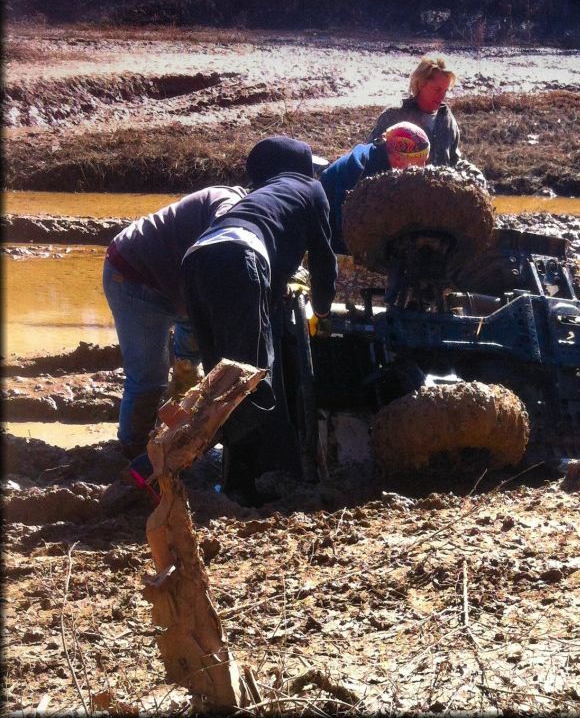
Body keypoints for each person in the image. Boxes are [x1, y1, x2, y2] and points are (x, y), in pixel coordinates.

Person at [181, 135, 338, 503]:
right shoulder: (311, 188)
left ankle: (179, 463)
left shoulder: (263, 194)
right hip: (240, 256)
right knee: (249, 380)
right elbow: (323, 259)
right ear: (301, 166)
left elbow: (277, 245)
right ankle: (241, 485)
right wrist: (324, 312)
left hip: (197, 259)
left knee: (219, 379)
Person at [103, 184, 247, 461]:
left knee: (189, 362)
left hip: (179, 283)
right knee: (148, 375)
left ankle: (177, 427)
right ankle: (135, 451)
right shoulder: (228, 203)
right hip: (135, 275)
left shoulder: (240, 207)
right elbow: (221, 250)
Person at [367, 52, 485, 186]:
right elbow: (370, 158)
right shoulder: (395, 115)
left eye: (445, 91)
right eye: (437, 90)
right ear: (421, 84)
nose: (442, 97)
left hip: (439, 200)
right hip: (399, 199)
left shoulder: (447, 120)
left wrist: (474, 175)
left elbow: (453, 161)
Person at [319, 121, 430, 253]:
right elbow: (345, 226)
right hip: (329, 237)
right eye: (419, 163)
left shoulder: (386, 157)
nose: (423, 168)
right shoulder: (360, 172)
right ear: (397, 159)